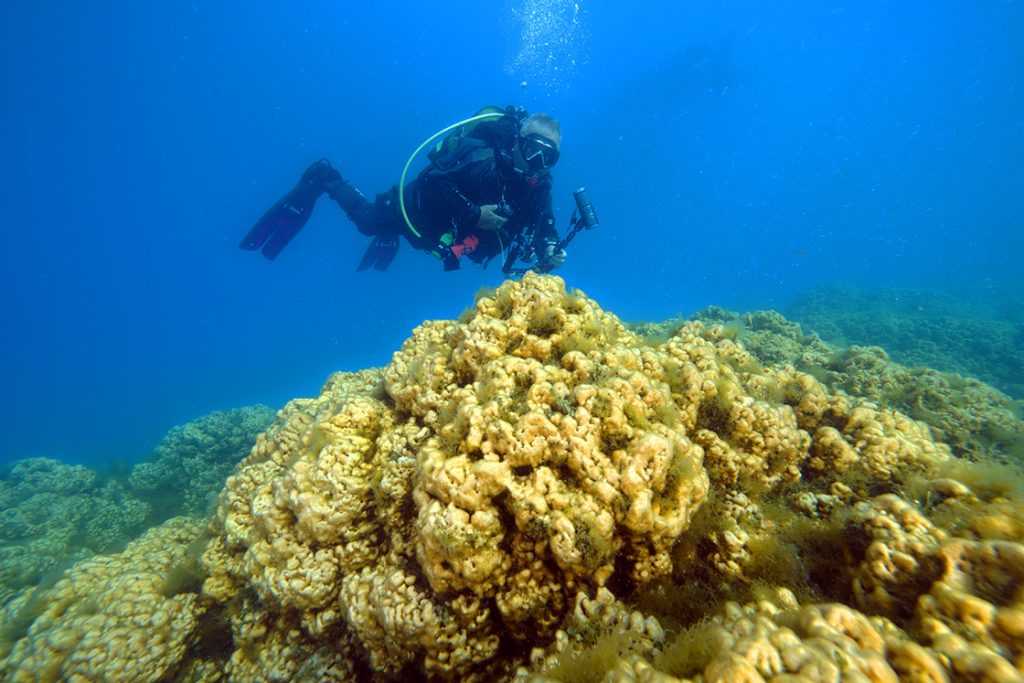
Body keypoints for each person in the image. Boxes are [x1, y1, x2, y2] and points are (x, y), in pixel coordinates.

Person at [240, 106, 568, 273]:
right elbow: (433, 181)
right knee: (368, 222)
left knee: (409, 238)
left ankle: (393, 235)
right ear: (518, 144)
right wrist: (474, 214)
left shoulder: (538, 186)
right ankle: (326, 177)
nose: (536, 162)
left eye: (547, 157)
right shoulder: (483, 157)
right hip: (414, 208)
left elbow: (545, 222)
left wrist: (549, 248)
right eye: (532, 150)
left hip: (440, 234)